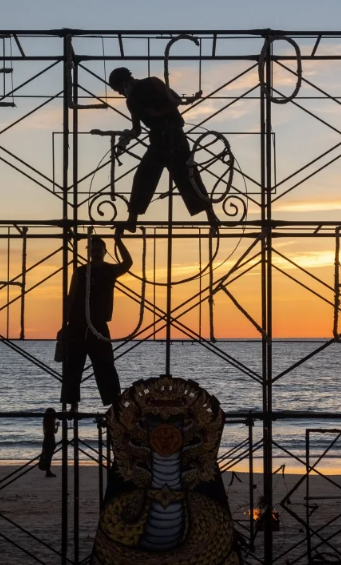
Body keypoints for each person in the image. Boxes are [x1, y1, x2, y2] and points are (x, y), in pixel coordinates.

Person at [107, 67, 221, 234]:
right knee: (144, 176)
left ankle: (212, 218)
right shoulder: (131, 101)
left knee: (189, 178)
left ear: (124, 82)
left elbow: (175, 100)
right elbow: (137, 130)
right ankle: (132, 221)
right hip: (158, 141)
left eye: (118, 89)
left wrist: (159, 113)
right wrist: (124, 140)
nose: (119, 93)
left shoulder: (152, 82)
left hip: (175, 138)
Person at [60, 230, 132, 408]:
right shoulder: (80, 271)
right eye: (93, 248)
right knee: (72, 366)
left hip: (98, 324)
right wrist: (64, 325)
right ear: (89, 251)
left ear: (105, 251)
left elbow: (128, 263)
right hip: (77, 324)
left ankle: (114, 402)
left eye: (100, 248)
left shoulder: (110, 270)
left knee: (105, 364)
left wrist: (118, 240)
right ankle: (72, 404)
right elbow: (71, 297)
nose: (97, 251)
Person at [38, 408, 58, 478]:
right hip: (50, 440)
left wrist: (56, 426)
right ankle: (48, 471)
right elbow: (53, 431)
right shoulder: (50, 422)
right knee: (49, 456)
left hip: (47, 440)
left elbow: (53, 431)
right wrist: (56, 425)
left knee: (47, 456)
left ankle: (48, 470)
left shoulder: (46, 422)